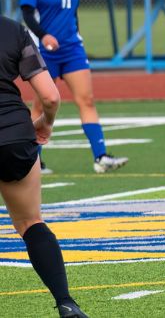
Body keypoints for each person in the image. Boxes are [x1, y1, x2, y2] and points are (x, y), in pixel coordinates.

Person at [19, 0, 128, 174]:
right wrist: (44, 35)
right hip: (43, 51)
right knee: (42, 104)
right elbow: (27, 11)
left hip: (72, 48)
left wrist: (75, 34)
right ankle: (34, 161)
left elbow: (73, 12)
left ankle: (100, 157)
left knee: (86, 100)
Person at [0, 16, 89, 317]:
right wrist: (45, 125)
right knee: (30, 223)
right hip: (14, 134)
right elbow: (50, 96)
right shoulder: (12, 30)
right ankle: (66, 303)